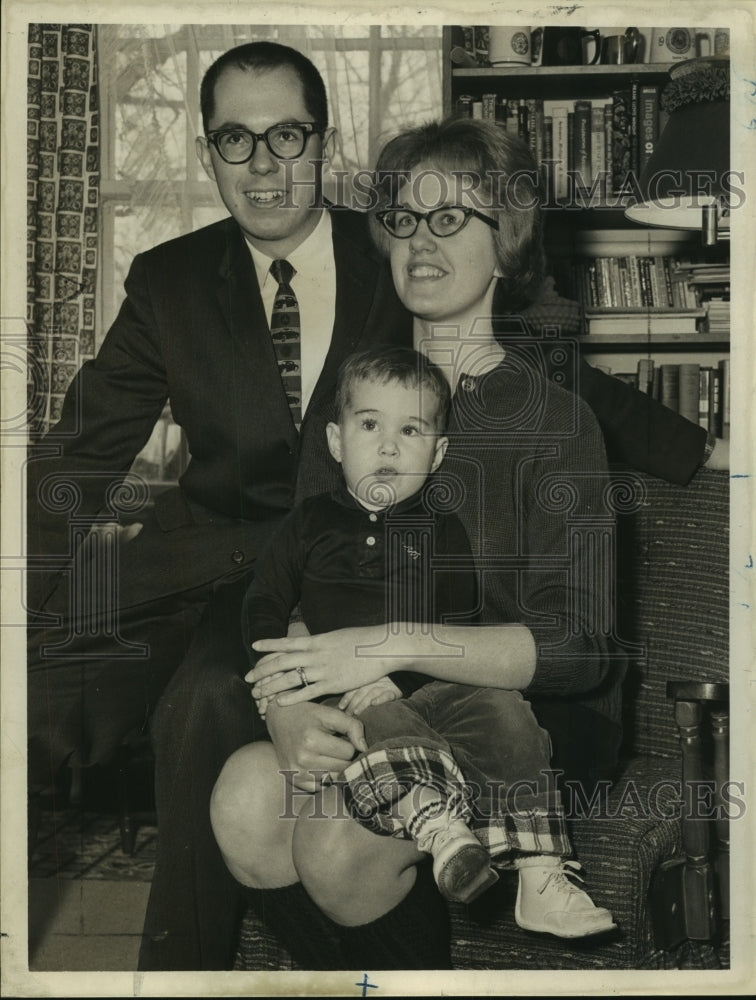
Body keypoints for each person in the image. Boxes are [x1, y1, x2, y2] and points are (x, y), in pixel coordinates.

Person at [25, 40, 412, 971]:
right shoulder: (170, 279)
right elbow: (77, 457)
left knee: (200, 706)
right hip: (187, 568)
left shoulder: (396, 254)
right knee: (27, 709)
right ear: (208, 155)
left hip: (325, 586)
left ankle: (181, 972)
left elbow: (504, 341)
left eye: (288, 135)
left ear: (325, 139)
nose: (266, 167)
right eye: (236, 142)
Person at [209, 118, 627, 971]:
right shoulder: (358, 402)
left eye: (449, 219)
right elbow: (299, 580)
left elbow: (583, 652)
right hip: (377, 701)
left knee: (332, 847)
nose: (418, 241)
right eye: (401, 219)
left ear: (506, 240)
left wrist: (389, 642)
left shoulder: (557, 421)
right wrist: (287, 707)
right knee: (245, 801)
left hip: (525, 724)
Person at [215, 343, 617, 933]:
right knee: (376, 725)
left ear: (437, 453)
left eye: (410, 430)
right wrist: (279, 690)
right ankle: (441, 829)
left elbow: (455, 623)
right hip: (354, 701)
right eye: (369, 424)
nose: (386, 446)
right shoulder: (307, 524)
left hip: (433, 683)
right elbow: (264, 604)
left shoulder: (442, 528)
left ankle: (543, 871)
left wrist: (393, 673)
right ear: (334, 441)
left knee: (508, 715)